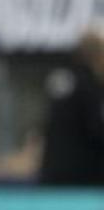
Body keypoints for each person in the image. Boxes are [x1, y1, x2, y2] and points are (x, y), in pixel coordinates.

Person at [40, 25, 104, 186]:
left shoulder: (63, 79)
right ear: (99, 56)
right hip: (82, 180)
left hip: (53, 176)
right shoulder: (90, 87)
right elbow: (97, 129)